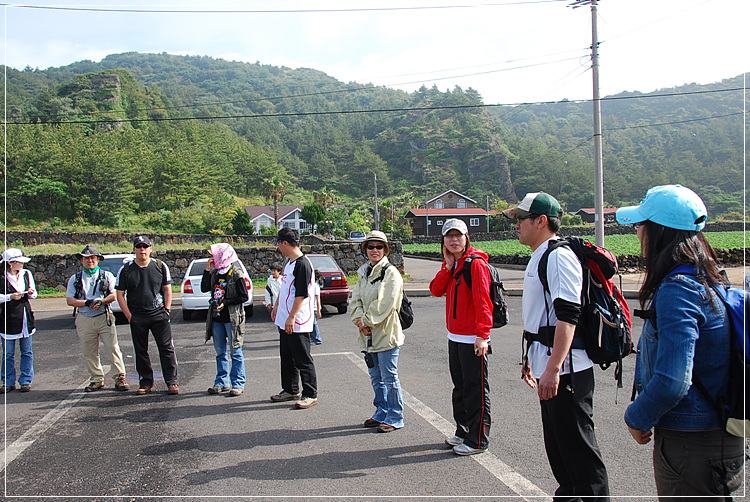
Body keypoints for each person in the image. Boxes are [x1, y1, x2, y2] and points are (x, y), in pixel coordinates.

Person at [617, 184, 744, 499]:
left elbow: (674, 378)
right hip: (722, 433)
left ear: (658, 231)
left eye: (639, 225)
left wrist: (637, 417)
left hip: (691, 444)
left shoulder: (679, 288)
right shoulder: (711, 278)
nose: (636, 232)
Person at [504, 192, 609, 500]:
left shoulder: (558, 256)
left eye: (521, 219)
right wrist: (533, 361)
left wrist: (552, 370)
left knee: (580, 454)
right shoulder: (541, 255)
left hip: (567, 372)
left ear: (541, 221)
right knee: (561, 452)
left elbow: (568, 317)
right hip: (552, 368)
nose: (517, 226)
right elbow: (541, 319)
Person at [428, 219, 493, 455]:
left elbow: (483, 301)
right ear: (443, 241)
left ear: (467, 238)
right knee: (460, 388)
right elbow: (435, 290)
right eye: (449, 236)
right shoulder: (454, 265)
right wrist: (447, 266)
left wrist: (482, 335)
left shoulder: (475, 264)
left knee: (476, 390)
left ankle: (478, 440)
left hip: (473, 338)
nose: (454, 240)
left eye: (459, 236)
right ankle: (463, 430)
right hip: (455, 336)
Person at [350, 231, 405, 433]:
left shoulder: (391, 273)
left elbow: (385, 305)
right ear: (365, 249)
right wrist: (359, 321)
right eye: (371, 246)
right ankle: (382, 411)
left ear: (385, 249)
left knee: (389, 376)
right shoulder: (363, 272)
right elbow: (355, 298)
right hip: (367, 336)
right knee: (375, 376)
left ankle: (395, 416)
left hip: (386, 333)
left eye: (379, 247)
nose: (375, 250)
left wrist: (365, 321)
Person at [116, 236, 179, 395]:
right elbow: (120, 294)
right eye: (139, 247)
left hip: (159, 315)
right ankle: (146, 382)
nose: (142, 250)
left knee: (166, 349)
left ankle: (172, 382)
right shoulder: (126, 270)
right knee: (141, 350)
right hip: (138, 316)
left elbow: (167, 289)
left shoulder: (160, 266)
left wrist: (167, 309)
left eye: (145, 247)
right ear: (134, 250)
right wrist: (129, 316)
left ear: (151, 249)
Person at [66, 245, 129, 392]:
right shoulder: (75, 279)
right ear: (81, 260)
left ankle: (119, 377)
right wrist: (86, 303)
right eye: (86, 258)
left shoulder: (107, 276)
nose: (90, 261)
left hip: (103, 316)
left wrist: (101, 302)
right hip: (84, 317)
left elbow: (114, 295)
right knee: (89, 350)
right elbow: (70, 300)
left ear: (98, 260)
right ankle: (96, 379)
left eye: (93, 258)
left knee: (112, 347)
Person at [270, 227, 318, 409]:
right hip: (284, 317)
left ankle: (310, 393)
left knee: (302, 358)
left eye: (279, 244)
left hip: (297, 319)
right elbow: (285, 289)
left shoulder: (303, 264)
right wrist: (276, 307)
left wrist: (291, 317)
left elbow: (301, 294)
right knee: (287, 355)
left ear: (285, 243)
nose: (278, 248)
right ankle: (290, 389)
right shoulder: (288, 263)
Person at [201, 243, 247, 397]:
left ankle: (238, 383)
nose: (212, 258)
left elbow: (243, 297)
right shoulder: (215, 272)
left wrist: (225, 303)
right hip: (216, 318)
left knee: (235, 351)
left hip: (232, 318)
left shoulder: (236, 273)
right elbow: (204, 287)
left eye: (214, 255)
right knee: (220, 352)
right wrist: (207, 270)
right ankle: (221, 381)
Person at [1, 248, 37, 393]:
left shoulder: (26, 274)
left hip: (24, 316)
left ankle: (26, 380)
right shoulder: (1, 277)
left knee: (27, 351)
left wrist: (31, 293)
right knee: (8, 353)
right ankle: (7, 381)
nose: (22, 264)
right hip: (7, 317)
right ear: (10, 263)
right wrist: (9, 297)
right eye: (19, 262)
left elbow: (34, 294)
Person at [309, 270, 323, 345]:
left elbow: (318, 299)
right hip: (310, 308)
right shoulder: (312, 285)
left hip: (314, 308)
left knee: (314, 324)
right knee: (312, 324)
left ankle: (317, 339)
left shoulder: (315, 286)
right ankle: (313, 338)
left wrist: (318, 310)